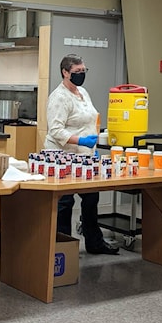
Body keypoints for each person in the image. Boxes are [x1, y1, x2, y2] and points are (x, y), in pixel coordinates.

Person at [44, 54, 118, 255]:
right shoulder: (58, 97)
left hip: (85, 158)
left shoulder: (83, 92)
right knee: (65, 203)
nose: (81, 75)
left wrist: (95, 140)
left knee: (91, 199)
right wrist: (81, 141)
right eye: (77, 72)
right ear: (65, 72)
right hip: (63, 157)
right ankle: (63, 247)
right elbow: (55, 131)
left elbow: (89, 119)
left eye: (84, 71)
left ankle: (95, 243)